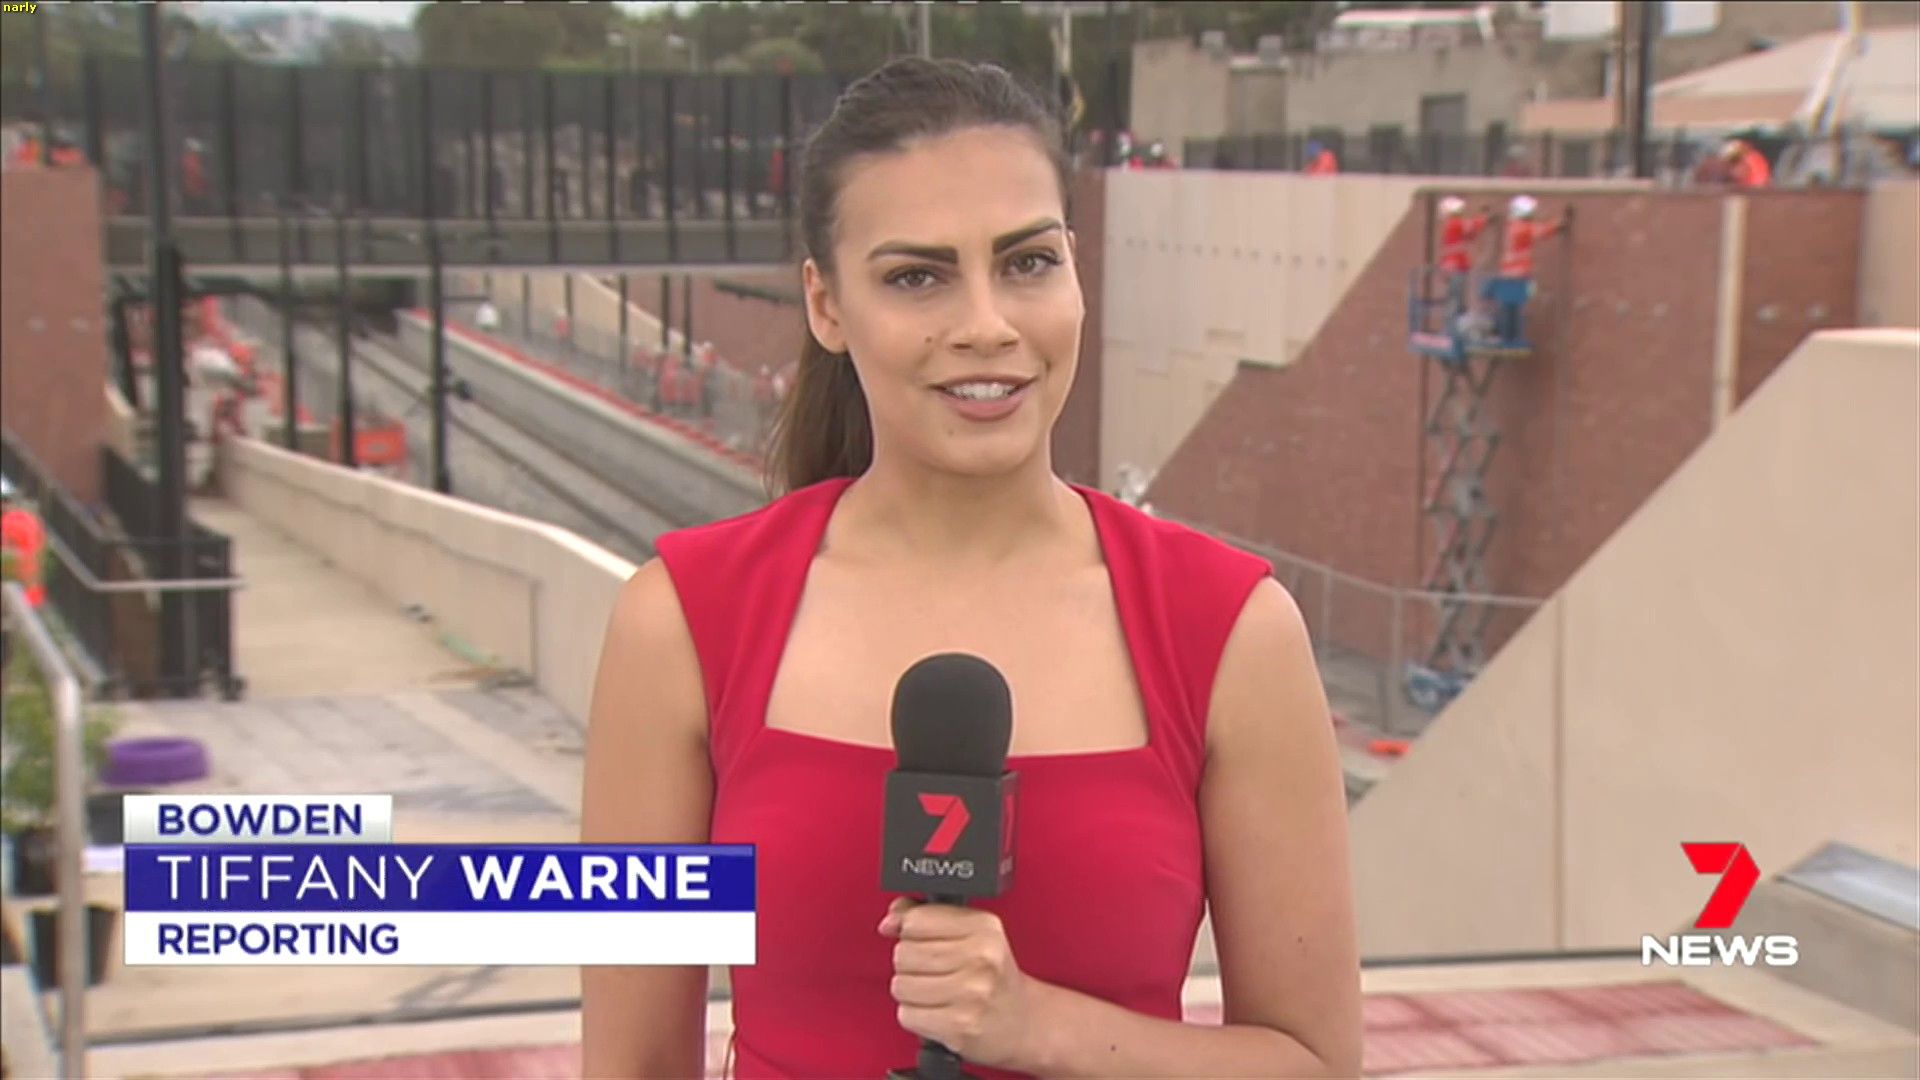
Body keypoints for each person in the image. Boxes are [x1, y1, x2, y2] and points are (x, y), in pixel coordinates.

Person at [581, 57, 1361, 1080]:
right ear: (825, 305)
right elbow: (634, 1061)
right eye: (918, 277)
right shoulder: (684, 624)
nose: (988, 325)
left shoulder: (1228, 630)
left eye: (1028, 262)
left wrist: (1043, 1028)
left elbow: (1314, 1064)